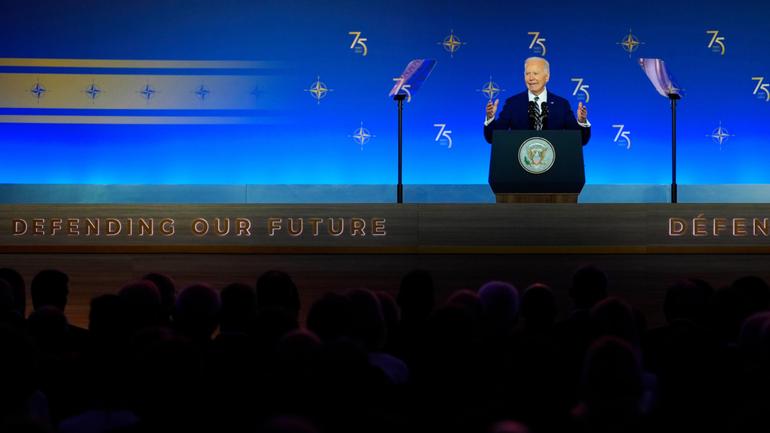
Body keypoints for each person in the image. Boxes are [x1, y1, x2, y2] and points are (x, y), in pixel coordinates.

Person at [484, 57, 591, 145]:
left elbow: (580, 140)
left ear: (547, 77)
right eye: (527, 74)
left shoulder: (561, 104)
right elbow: (493, 138)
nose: (531, 78)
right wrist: (490, 118)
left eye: (535, 73)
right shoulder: (513, 103)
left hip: (554, 167)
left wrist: (581, 122)